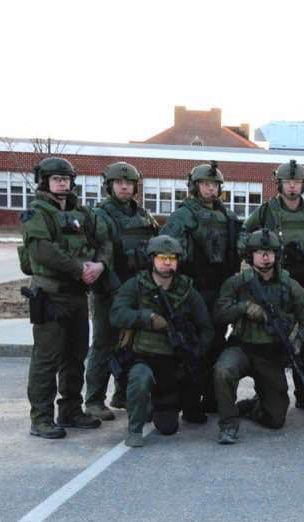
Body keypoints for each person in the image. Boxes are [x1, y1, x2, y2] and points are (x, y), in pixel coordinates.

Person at [20, 157, 113, 439]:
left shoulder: (82, 213)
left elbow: (104, 241)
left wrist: (100, 266)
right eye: (56, 178)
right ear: (45, 181)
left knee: (76, 356)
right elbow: (42, 251)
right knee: (46, 359)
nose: (62, 183)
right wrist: (78, 269)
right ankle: (41, 418)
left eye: (66, 178)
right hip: (50, 296)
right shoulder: (37, 212)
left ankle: (70, 410)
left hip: (76, 296)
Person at [239, 159, 304, 410]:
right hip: (272, 284)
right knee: (272, 336)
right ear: (279, 184)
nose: (292, 187)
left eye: (296, 182)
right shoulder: (266, 212)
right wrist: (257, 262)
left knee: (302, 338)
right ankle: (268, 390)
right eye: (287, 182)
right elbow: (243, 237)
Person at [109, 235, 213, 447]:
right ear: (152, 259)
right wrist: (146, 318)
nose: (167, 262)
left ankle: (153, 404)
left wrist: (195, 352)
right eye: (162, 257)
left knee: (168, 428)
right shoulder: (136, 286)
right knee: (140, 377)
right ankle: (134, 429)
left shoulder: (187, 291)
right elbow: (117, 314)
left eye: (172, 258)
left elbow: (206, 327)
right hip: (142, 357)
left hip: (172, 364)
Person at [212, 230, 304, 444]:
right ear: (250, 256)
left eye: (269, 252)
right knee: (223, 370)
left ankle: (252, 407)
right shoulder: (238, 283)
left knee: (276, 418)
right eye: (259, 252)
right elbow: (219, 313)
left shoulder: (289, 286)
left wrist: (297, 343)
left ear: (277, 255)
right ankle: (228, 425)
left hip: (270, 354)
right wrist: (244, 307)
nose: (265, 257)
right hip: (241, 347)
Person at [159, 161, 242, 416]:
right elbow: (169, 248)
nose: (211, 189)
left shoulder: (227, 216)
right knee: (195, 343)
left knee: (217, 341)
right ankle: (190, 400)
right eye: (206, 184)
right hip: (194, 288)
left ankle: (213, 397)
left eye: (215, 185)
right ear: (195, 187)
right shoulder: (185, 215)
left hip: (221, 288)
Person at [85, 161, 159, 421]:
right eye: (119, 183)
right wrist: (114, 291)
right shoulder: (100, 215)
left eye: (129, 183)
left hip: (137, 289)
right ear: (109, 185)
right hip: (109, 290)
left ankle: (122, 395)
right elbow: (99, 254)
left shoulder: (143, 215)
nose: (125, 187)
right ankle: (94, 400)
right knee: (104, 344)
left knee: (131, 345)